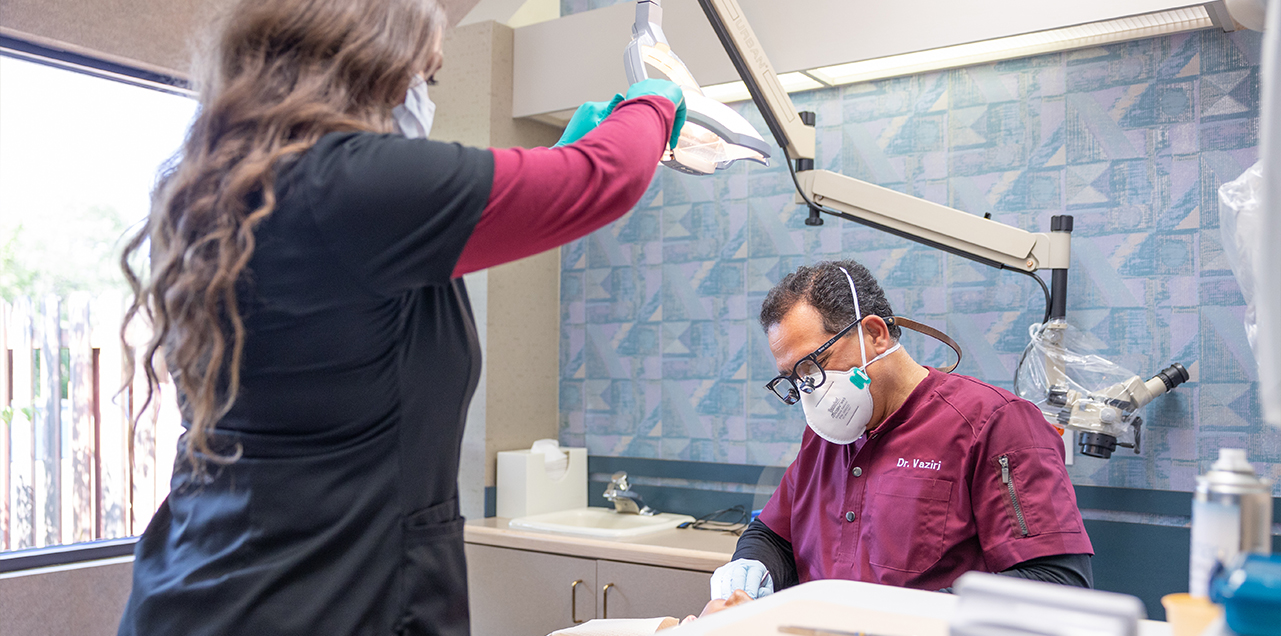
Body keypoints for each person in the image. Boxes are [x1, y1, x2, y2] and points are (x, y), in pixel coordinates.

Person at [115, 1, 684, 634]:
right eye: (425, 75)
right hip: (316, 600)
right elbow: (602, 178)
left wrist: (564, 154)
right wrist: (654, 102)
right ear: (371, 68)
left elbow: (398, 271)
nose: (422, 96)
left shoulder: (231, 197)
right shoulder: (345, 183)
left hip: (198, 586)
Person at [711, 260, 1094, 600]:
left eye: (816, 364)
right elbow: (773, 534)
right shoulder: (825, 437)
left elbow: (1055, 582)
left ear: (875, 334)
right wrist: (748, 570)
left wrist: (905, 617)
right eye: (796, 378)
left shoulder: (993, 423)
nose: (810, 389)